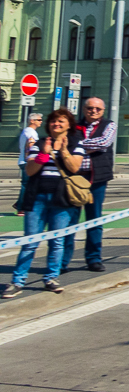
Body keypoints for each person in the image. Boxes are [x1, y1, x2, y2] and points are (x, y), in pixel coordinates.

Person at [2, 109, 86, 298]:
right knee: (30, 241)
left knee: (57, 242)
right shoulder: (39, 144)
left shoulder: (75, 144)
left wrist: (63, 151)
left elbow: (74, 167)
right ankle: (17, 281)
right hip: (37, 198)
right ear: (48, 125)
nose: (57, 124)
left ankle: (51, 278)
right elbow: (30, 171)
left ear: (69, 125)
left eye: (61, 121)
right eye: (54, 121)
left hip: (62, 199)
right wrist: (43, 155)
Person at [63, 97, 117, 273]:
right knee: (69, 221)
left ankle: (94, 259)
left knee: (95, 220)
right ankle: (62, 262)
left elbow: (103, 143)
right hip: (74, 179)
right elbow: (67, 146)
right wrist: (83, 146)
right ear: (84, 109)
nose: (93, 111)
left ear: (103, 111)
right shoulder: (73, 126)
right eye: (90, 108)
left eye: (98, 109)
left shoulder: (109, 125)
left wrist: (77, 146)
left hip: (97, 179)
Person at [13, 112, 43, 216]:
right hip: (27, 162)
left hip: (24, 161)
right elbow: (31, 146)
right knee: (27, 185)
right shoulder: (31, 132)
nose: (41, 122)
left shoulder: (26, 131)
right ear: (32, 121)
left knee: (27, 184)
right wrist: (34, 160)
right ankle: (21, 208)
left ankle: (19, 204)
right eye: (39, 120)